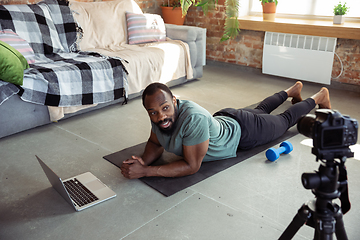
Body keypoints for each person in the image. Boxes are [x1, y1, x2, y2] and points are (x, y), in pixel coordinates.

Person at [120, 81, 331, 179]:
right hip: (226, 118)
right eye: (153, 112)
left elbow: (191, 166)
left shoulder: (193, 119)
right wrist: (142, 161)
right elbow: (155, 143)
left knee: (284, 121)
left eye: (165, 108)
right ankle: (291, 90)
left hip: (245, 132)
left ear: (174, 101)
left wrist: (146, 172)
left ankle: (320, 96)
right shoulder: (158, 116)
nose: (161, 116)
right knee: (260, 109)